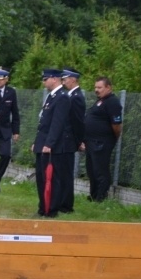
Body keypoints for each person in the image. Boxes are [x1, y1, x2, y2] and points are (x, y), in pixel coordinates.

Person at [32, 69, 73, 218]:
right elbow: (43, 123)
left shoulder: (62, 97)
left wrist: (49, 144)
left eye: (45, 79)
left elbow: (57, 124)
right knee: (41, 178)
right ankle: (43, 207)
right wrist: (36, 142)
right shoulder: (52, 96)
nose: (44, 82)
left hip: (51, 147)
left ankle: (51, 209)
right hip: (42, 143)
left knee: (51, 178)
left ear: (54, 79)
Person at [83, 76, 123, 202]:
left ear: (108, 87)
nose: (96, 90)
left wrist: (112, 138)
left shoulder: (112, 102)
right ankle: (93, 195)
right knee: (91, 170)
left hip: (102, 142)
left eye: (99, 87)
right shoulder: (100, 101)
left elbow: (116, 125)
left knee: (100, 170)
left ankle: (101, 197)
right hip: (91, 142)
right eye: (95, 87)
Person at [61, 67, 85, 213]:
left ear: (73, 79)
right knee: (62, 172)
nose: (63, 82)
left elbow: (78, 121)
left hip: (69, 140)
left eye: (65, 79)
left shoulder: (76, 97)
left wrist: (79, 141)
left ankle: (67, 205)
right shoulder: (69, 95)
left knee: (66, 173)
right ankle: (62, 201)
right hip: (65, 139)